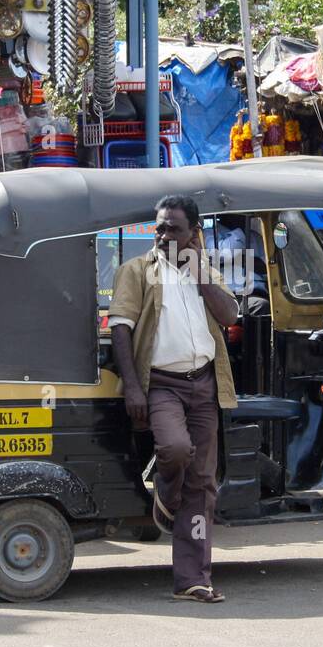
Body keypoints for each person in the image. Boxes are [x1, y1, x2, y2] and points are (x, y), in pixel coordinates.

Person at [108, 195, 239, 603]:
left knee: (202, 485)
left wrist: (198, 270)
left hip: (205, 383)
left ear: (193, 233)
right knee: (175, 448)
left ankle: (193, 579)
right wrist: (132, 386)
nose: (163, 234)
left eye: (173, 229)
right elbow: (120, 329)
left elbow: (230, 315)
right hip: (161, 383)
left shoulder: (206, 272)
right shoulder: (136, 272)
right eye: (159, 226)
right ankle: (165, 496)